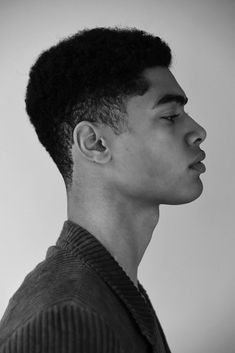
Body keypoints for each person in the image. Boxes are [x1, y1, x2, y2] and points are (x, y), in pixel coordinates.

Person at [0, 27, 207, 353]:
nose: (198, 131)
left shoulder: (114, 290)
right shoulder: (63, 325)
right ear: (95, 143)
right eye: (170, 116)